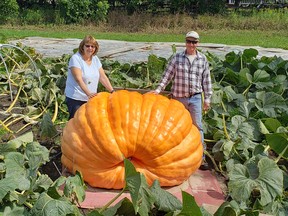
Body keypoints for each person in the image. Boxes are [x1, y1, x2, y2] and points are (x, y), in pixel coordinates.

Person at [152, 31, 212, 170]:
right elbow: (167, 76)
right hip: (179, 98)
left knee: (197, 127)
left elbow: (206, 80)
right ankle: (175, 156)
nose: (191, 44)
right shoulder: (177, 58)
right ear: (185, 42)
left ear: (198, 43)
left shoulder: (202, 59)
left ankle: (200, 158)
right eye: (189, 41)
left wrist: (207, 98)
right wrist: (158, 90)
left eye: (194, 42)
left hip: (195, 98)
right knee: (175, 127)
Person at [64, 35, 114, 120]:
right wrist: (89, 93)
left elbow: (102, 77)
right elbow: (78, 79)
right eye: (87, 46)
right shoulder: (75, 59)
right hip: (76, 98)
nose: (90, 48)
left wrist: (112, 91)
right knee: (76, 122)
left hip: (91, 99)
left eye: (92, 46)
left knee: (88, 123)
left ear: (95, 48)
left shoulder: (95, 59)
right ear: (82, 46)